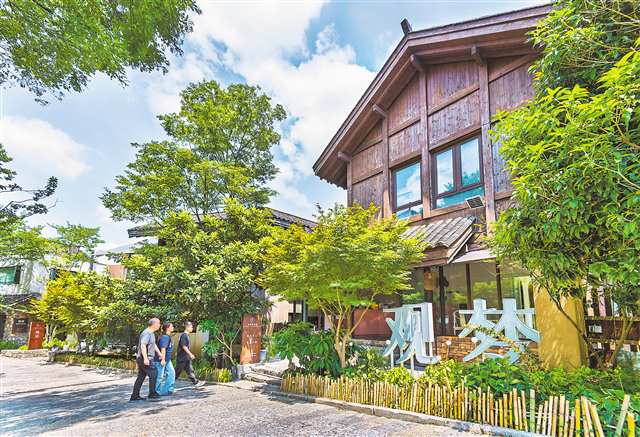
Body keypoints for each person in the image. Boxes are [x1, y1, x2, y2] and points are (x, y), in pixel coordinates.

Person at [130, 318, 162, 401]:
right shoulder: (147, 333)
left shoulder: (151, 333)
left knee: (141, 377)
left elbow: (153, 344)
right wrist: (145, 358)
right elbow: (143, 345)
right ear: (154, 324)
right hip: (145, 358)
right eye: (158, 323)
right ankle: (152, 393)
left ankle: (134, 396)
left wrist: (159, 353)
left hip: (144, 358)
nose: (159, 325)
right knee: (154, 373)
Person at [175, 321, 205, 388]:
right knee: (176, 373)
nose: (192, 328)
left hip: (186, 358)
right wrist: (190, 354)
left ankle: (196, 382)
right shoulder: (184, 335)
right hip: (182, 358)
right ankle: (168, 386)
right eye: (191, 327)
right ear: (187, 327)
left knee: (190, 371)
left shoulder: (186, 335)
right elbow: (184, 346)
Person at [154, 322, 176, 395]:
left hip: (167, 360)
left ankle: (168, 390)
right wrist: (163, 359)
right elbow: (163, 349)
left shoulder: (167, 336)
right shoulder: (165, 337)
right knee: (160, 376)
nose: (173, 327)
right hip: (161, 360)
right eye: (171, 326)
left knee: (171, 373)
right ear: (167, 328)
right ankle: (156, 392)